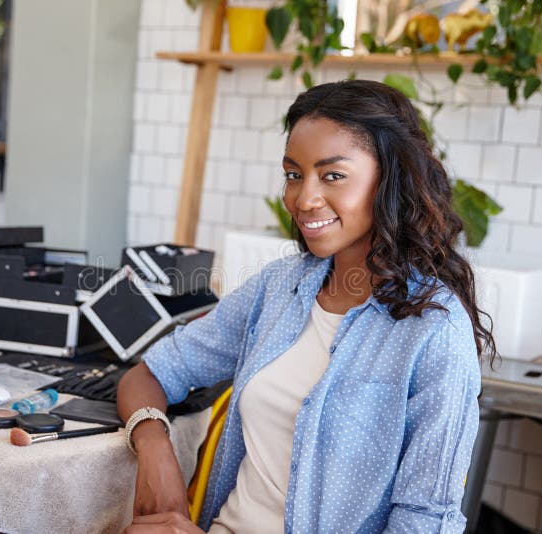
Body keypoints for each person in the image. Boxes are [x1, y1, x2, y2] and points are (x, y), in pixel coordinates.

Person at [118, 79, 495, 534]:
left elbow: (424, 522)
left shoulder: (433, 330)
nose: (304, 198)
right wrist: (155, 448)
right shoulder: (279, 287)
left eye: (333, 175)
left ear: (389, 179)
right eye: (294, 174)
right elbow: (152, 374)